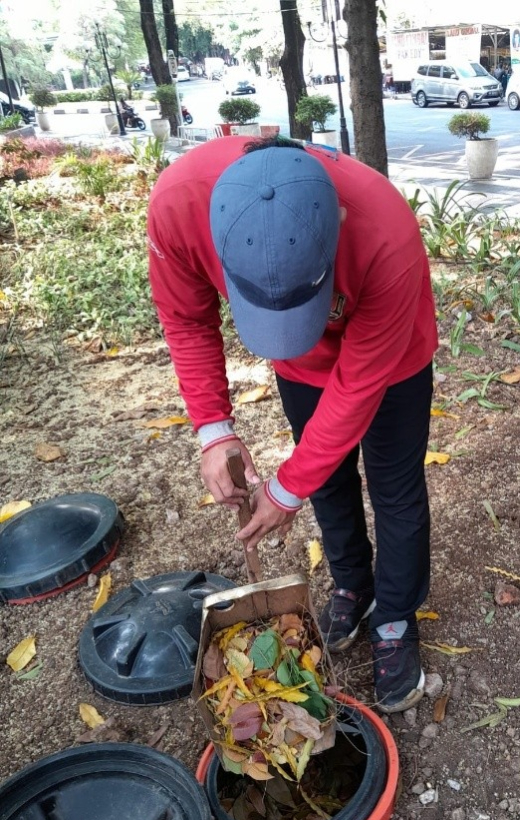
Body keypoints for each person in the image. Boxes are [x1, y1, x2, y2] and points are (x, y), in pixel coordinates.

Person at [146, 136, 439, 713]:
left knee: (394, 487)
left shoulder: (384, 231)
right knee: (326, 479)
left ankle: (396, 620)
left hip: (392, 359)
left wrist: (285, 488)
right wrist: (213, 428)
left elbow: (358, 385)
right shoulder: (180, 205)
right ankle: (352, 586)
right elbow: (185, 319)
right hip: (301, 373)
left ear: (341, 222)